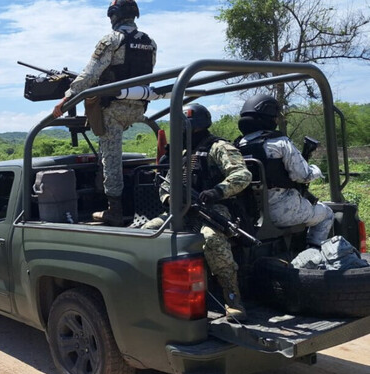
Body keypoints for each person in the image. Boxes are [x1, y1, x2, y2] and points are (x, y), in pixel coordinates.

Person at [143, 104, 252, 321]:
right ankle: (148, 292)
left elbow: (242, 174)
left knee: (212, 240)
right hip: (182, 210)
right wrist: (169, 198)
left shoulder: (218, 147)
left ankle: (232, 299)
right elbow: (165, 182)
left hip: (215, 207)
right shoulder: (180, 152)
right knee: (147, 232)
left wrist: (217, 191)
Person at [52, 0, 156, 226]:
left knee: (111, 158)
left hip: (114, 109)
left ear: (113, 15)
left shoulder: (111, 40)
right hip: (139, 107)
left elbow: (90, 74)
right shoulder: (149, 42)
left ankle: (114, 210)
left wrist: (67, 97)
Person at [234, 94, 334, 248]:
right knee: (327, 214)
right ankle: (314, 253)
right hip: (283, 212)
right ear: (268, 117)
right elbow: (303, 175)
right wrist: (316, 170)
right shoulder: (279, 142)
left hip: (250, 214)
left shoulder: (237, 146)